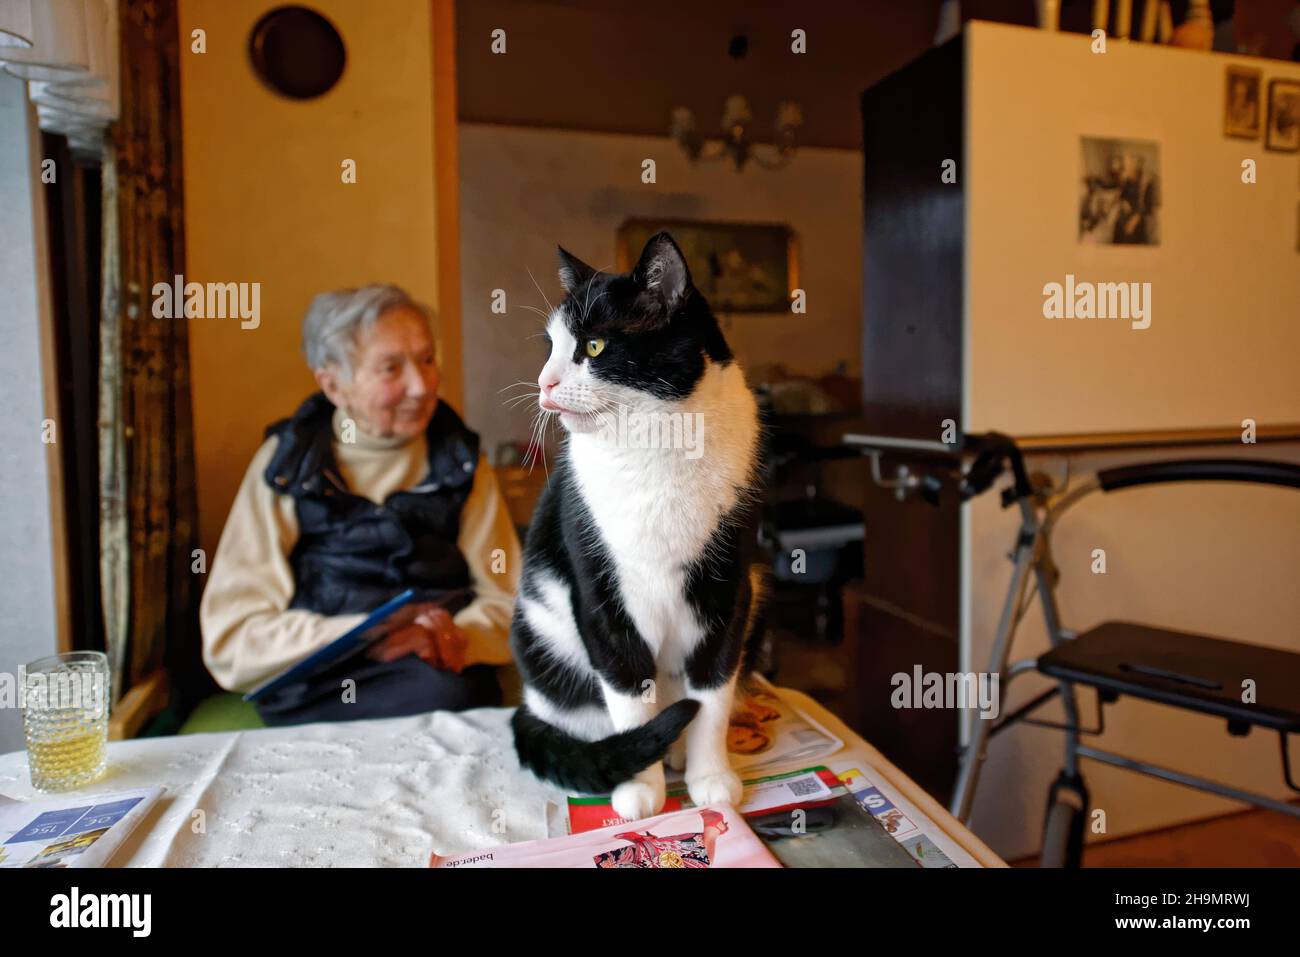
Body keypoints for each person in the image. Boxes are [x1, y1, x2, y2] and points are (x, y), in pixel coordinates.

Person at [200, 284, 520, 725]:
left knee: (448, 698)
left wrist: (454, 635)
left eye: (427, 360)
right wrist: (363, 631)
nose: (421, 386)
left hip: (435, 671)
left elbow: (510, 599)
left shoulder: (459, 459)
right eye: (391, 369)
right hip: (317, 682)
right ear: (334, 385)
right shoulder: (288, 464)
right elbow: (231, 638)